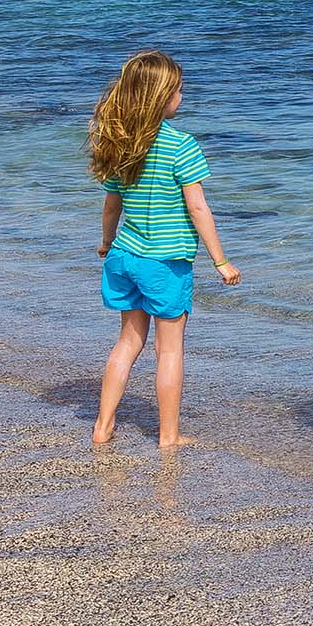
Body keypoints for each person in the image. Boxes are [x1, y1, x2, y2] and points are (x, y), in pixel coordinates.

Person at [87, 50, 240, 448]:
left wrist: (105, 242)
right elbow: (197, 206)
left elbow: (111, 204)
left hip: (124, 256)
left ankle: (102, 427)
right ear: (161, 96)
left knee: (127, 342)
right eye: (178, 89)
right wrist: (220, 260)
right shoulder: (181, 145)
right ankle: (168, 436)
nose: (182, 96)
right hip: (165, 263)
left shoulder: (121, 143)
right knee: (168, 350)